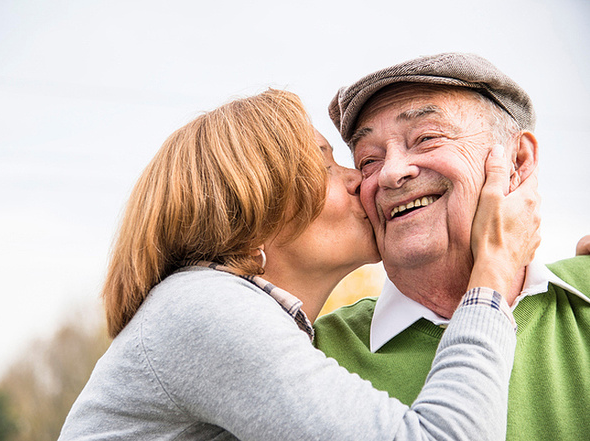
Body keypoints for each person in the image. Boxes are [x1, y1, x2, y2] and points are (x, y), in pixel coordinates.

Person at [58, 89, 540, 441]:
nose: (363, 179)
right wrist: (494, 271)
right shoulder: (203, 311)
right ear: (252, 216)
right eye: (327, 167)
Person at [315, 53, 590, 441]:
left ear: (518, 160)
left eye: (426, 138)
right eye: (369, 160)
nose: (392, 173)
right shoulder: (313, 353)